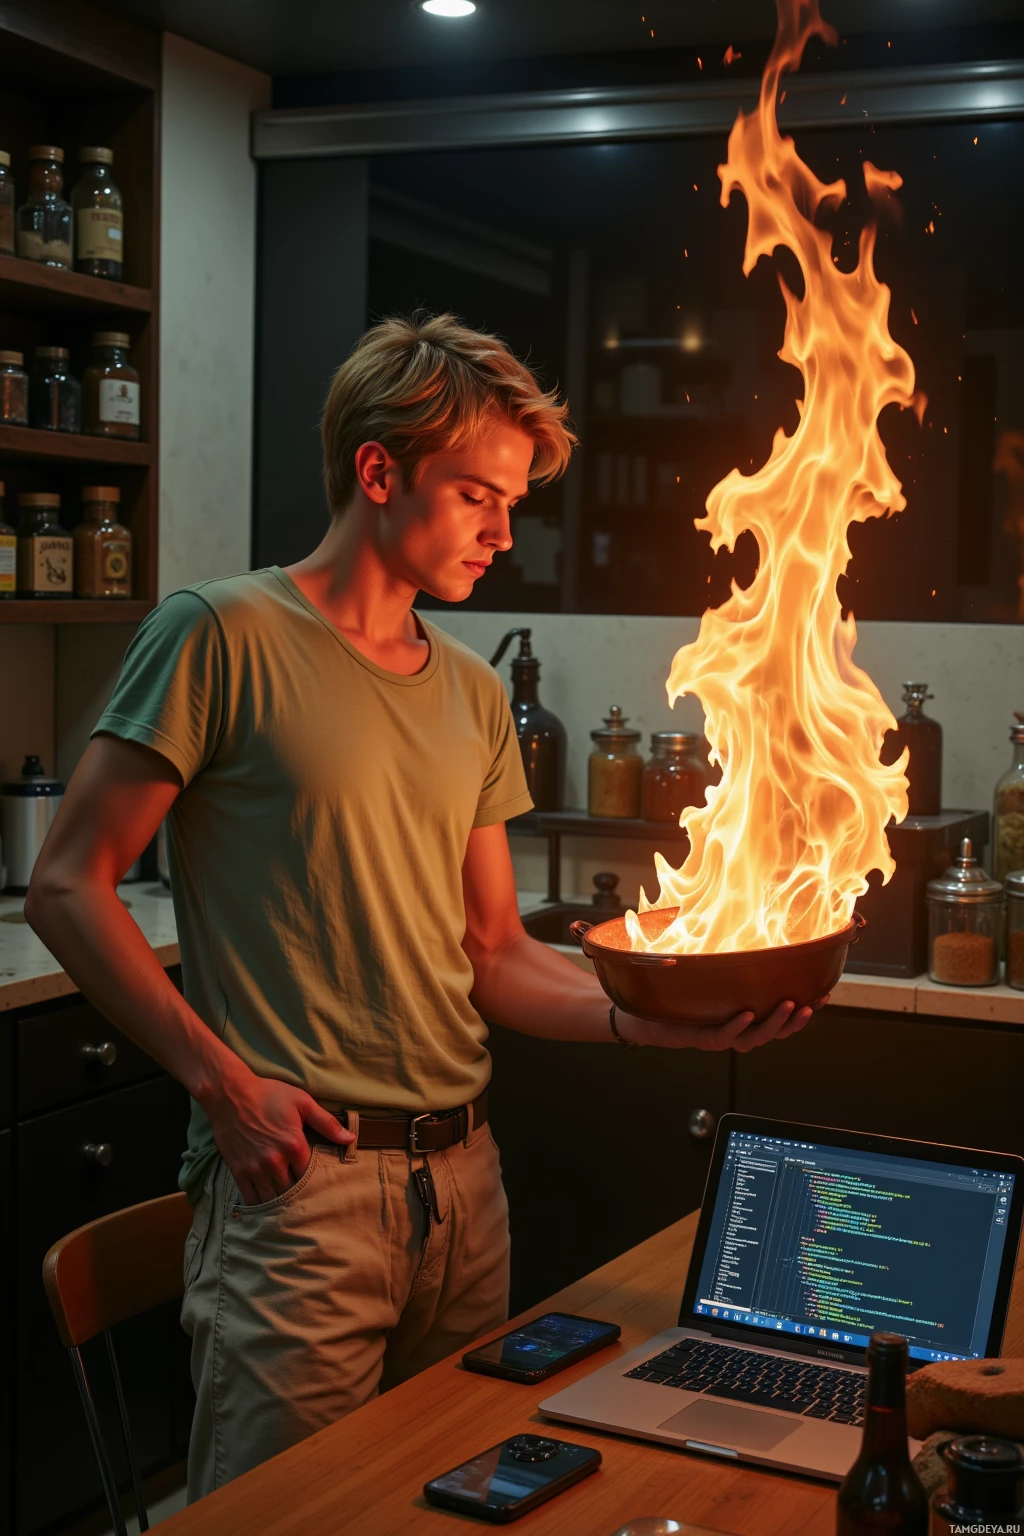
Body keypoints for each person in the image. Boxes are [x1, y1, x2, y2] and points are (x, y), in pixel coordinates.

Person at [25, 312, 820, 1500]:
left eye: (513, 504)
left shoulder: (468, 692)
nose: (504, 532)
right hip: (303, 1193)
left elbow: (493, 954)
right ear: (378, 469)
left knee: (455, 1507)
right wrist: (224, 1086)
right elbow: (65, 885)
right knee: (288, 1521)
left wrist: (640, 1022)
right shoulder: (220, 634)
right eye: (474, 496)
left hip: (465, 1188)